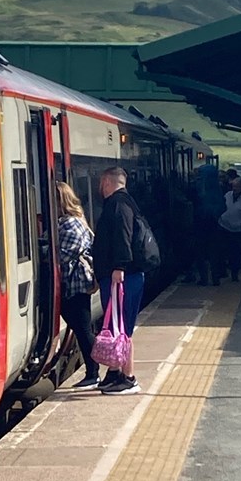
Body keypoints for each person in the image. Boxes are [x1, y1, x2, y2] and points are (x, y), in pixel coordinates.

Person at [92, 166, 145, 395]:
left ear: (106, 181)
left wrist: (118, 267)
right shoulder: (126, 202)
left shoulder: (118, 205)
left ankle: (129, 377)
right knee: (116, 325)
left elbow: (123, 236)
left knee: (122, 327)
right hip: (123, 275)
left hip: (122, 276)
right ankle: (114, 372)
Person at [57, 181, 99, 389]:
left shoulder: (70, 224)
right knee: (81, 327)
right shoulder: (74, 221)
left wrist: (41, 250)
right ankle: (93, 371)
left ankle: (93, 372)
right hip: (76, 282)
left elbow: (63, 255)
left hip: (77, 283)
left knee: (83, 328)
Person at [190, 162, 225, 286]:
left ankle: (204, 278)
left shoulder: (197, 187)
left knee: (200, 252)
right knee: (214, 253)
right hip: (214, 225)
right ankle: (215, 277)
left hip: (199, 224)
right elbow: (223, 207)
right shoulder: (218, 188)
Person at [218, 178, 241, 282]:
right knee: (222, 251)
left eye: (237, 186)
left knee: (236, 253)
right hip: (224, 227)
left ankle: (235, 274)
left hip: (238, 230)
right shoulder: (227, 195)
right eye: (233, 186)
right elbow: (221, 207)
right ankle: (222, 272)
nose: (235, 189)